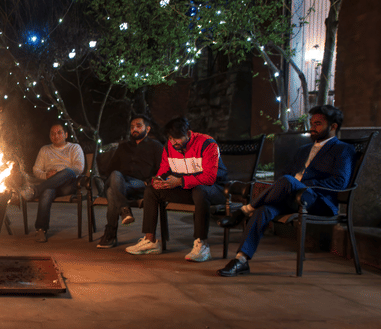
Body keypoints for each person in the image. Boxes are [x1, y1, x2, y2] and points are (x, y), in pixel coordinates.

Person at [217, 105, 354, 277]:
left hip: (318, 200)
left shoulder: (343, 149)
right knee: (264, 210)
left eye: (318, 124)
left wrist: (302, 183)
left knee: (289, 180)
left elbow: (340, 182)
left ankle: (244, 211)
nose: (312, 127)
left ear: (333, 126)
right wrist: (290, 183)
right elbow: (285, 175)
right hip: (291, 197)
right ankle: (241, 260)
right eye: (311, 123)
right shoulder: (303, 150)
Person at [125, 117, 228, 261]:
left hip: (216, 190)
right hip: (188, 189)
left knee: (200, 190)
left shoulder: (207, 144)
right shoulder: (169, 146)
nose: (174, 142)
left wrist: (180, 181)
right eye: (171, 138)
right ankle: (151, 241)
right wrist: (159, 180)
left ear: (188, 133)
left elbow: (210, 178)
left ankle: (202, 245)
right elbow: (164, 170)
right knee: (152, 191)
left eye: (177, 138)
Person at [96, 114, 164, 248]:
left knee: (111, 192)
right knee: (115, 177)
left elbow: (162, 169)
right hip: (120, 182)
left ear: (148, 129)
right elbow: (111, 169)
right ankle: (124, 209)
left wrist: (150, 181)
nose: (135, 129)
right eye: (132, 127)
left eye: (139, 126)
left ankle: (110, 234)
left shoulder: (156, 146)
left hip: (140, 184)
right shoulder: (123, 146)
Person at [28, 122, 85, 243]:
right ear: (50, 136)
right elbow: (36, 170)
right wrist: (46, 175)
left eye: (59, 133)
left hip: (68, 185)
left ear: (66, 134)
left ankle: (35, 190)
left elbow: (78, 168)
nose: (56, 136)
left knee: (68, 171)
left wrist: (59, 174)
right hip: (51, 185)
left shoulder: (74, 148)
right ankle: (41, 230)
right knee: (47, 191)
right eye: (53, 134)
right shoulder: (44, 150)